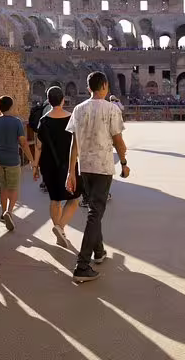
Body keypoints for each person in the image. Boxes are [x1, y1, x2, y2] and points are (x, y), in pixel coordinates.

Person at [66, 71, 130, 283]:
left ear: (88, 87)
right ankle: (82, 265)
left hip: (85, 167)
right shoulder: (111, 109)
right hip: (102, 166)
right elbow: (118, 141)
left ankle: (99, 251)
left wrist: (71, 171)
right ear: (104, 86)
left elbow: (74, 144)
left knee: (94, 209)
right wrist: (124, 163)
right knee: (95, 212)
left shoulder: (78, 109)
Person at [32, 86, 82, 249]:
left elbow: (39, 146)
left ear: (48, 100)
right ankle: (60, 227)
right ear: (63, 100)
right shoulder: (71, 118)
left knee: (55, 200)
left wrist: (35, 166)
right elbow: (77, 144)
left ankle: (59, 230)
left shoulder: (43, 120)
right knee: (73, 199)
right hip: (69, 164)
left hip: (48, 164)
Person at [0, 96, 36, 231]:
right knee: (13, 188)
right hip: (13, 160)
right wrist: (32, 160)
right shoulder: (17, 122)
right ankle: (9, 211)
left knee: (2, 187)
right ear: (11, 106)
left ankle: (3, 212)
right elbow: (24, 143)